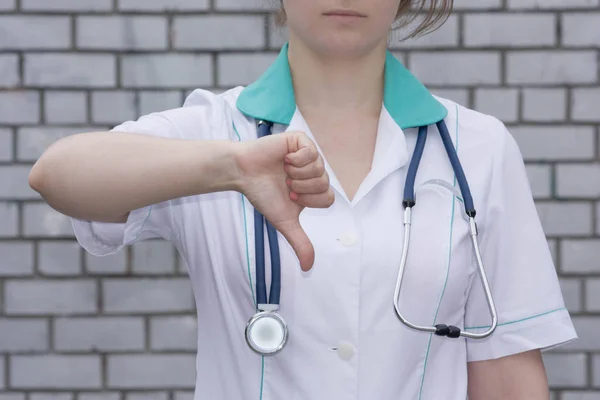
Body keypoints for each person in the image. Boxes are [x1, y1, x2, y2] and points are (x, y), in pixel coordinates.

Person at [29, 0, 577, 399]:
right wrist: (230, 167)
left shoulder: (477, 149)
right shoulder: (216, 131)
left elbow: (507, 377)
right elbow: (58, 175)